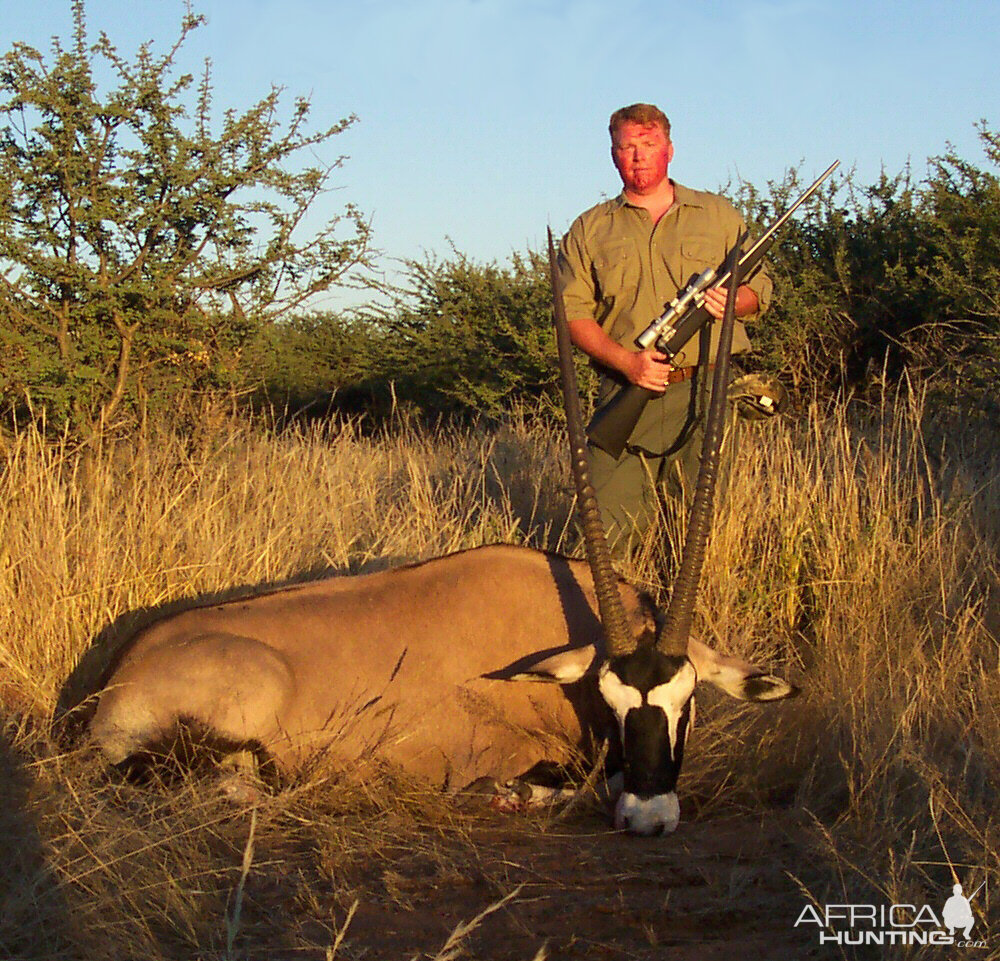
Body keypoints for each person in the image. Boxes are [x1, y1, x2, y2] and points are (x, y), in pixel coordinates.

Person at [556, 103, 772, 555]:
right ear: (613, 155)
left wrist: (734, 301)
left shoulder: (717, 215)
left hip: (706, 392)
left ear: (669, 150)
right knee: (605, 541)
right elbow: (572, 315)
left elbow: (760, 290)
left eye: (648, 145)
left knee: (696, 540)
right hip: (625, 387)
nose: (638, 157)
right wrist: (627, 364)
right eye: (627, 147)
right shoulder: (589, 228)